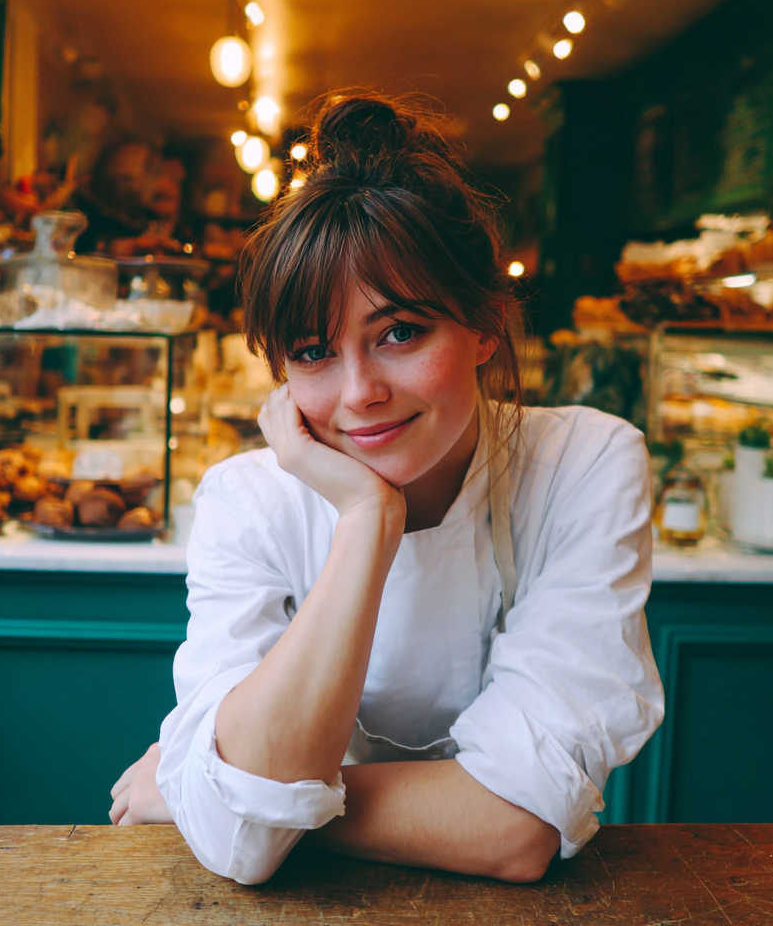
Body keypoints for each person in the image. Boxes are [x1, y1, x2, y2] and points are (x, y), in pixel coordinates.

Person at [108, 93, 664, 885]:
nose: (359, 391)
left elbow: (515, 832)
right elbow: (244, 853)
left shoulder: (584, 463)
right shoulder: (247, 500)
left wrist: (212, 790)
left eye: (399, 332)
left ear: (485, 325)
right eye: (312, 351)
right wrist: (368, 515)